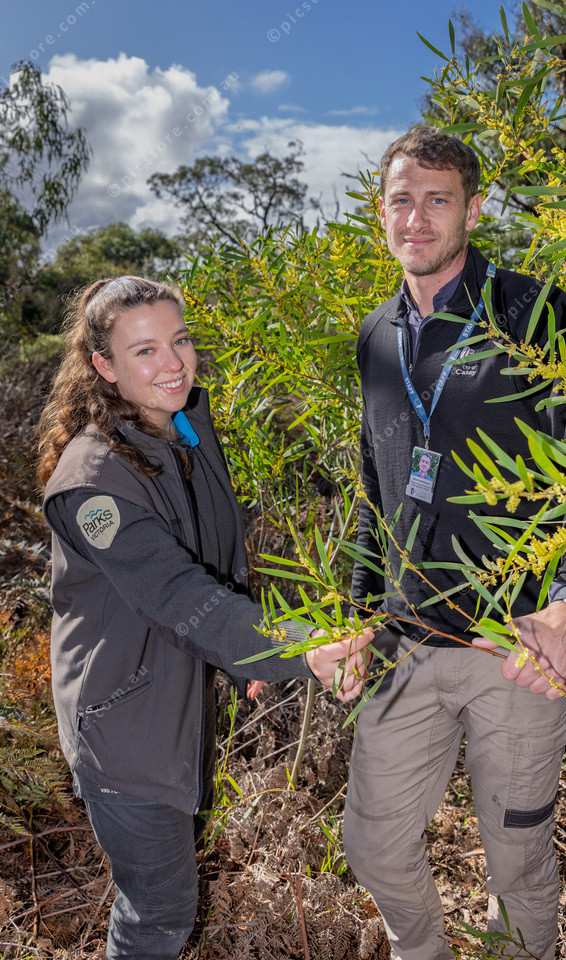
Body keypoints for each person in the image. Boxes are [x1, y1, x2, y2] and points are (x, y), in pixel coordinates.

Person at [37, 276, 373, 960]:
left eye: (181, 340)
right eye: (145, 350)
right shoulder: (91, 485)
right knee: (158, 915)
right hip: (123, 724)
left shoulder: (185, 423)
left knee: (167, 889)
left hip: (177, 697)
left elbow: (218, 550)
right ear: (104, 365)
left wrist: (237, 655)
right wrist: (295, 647)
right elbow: (179, 593)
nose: (174, 364)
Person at [342, 128, 566, 960]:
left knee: (518, 864)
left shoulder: (533, 313)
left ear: (474, 208)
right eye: (401, 200)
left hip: (515, 646)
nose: (416, 218)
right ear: (380, 210)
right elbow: (375, 486)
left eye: (438, 199)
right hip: (407, 642)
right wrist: (356, 612)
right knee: (372, 844)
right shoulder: (376, 335)